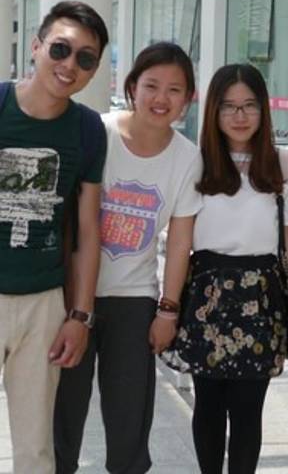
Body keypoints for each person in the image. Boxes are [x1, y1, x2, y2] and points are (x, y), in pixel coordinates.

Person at [53, 42, 202, 473]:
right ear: (132, 87)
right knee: (62, 413)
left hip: (134, 301)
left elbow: (180, 241)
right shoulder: (98, 133)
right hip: (72, 295)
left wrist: (168, 310)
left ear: (188, 98)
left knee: (129, 419)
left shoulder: (187, 157)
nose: (161, 98)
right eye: (151, 85)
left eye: (174, 89)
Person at [163, 63, 288, 474]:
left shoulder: (282, 164)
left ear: (264, 110)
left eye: (249, 105)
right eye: (229, 106)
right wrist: (169, 305)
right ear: (213, 111)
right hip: (206, 294)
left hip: (260, 295)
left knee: (249, 409)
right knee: (209, 405)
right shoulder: (196, 164)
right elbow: (179, 241)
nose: (240, 115)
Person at [0, 0, 109, 474]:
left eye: (85, 58)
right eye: (60, 49)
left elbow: (88, 230)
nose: (69, 65)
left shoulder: (87, 129)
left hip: (43, 302)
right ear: (36, 46)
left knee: (36, 449)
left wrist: (80, 316)